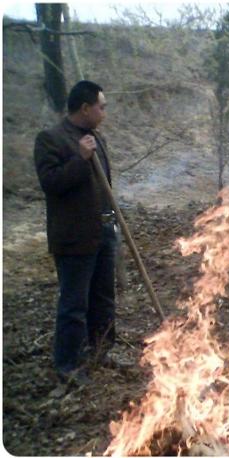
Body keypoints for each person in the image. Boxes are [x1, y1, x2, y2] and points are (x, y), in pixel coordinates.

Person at [34, 80, 117, 385]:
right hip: (75, 236)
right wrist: (78, 159)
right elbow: (51, 183)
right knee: (74, 304)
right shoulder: (50, 139)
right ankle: (68, 364)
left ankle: (101, 351)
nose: (104, 112)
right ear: (85, 108)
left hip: (104, 230)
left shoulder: (96, 137)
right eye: (101, 106)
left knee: (103, 298)